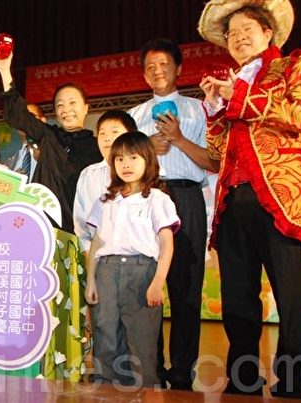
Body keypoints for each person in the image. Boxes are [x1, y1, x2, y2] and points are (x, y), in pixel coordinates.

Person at [198, 0, 301, 398]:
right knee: (237, 299)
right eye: (231, 34)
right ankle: (244, 378)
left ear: (268, 33)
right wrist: (215, 109)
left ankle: (292, 381)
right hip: (233, 202)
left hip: (279, 199)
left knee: (291, 297)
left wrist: (241, 96)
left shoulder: (296, 66)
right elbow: (217, 154)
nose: (238, 38)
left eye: (246, 30)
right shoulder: (229, 82)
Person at [127, 37, 219, 390]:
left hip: (186, 197)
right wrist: (146, 148)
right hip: (146, 198)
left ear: (179, 68)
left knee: (186, 287)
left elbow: (214, 161)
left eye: (164, 64)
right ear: (143, 74)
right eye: (150, 67)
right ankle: (151, 369)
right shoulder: (135, 116)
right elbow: (123, 166)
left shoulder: (199, 110)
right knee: (146, 285)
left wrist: (179, 139)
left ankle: (182, 372)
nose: (157, 71)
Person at [85, 131, 179, 387]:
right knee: (105, 335)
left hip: (142, 272)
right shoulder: (105, 200)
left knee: (141, 340)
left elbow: (167, 243)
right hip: (106, 271)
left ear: (148, 160)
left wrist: (158, 281)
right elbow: (96, 243)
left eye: (133, 158)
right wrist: (91, 280)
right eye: (120, 159)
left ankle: (145, 390)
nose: (126, 165)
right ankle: (106, 390)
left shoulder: (157, 199)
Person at [0, 47, 102, 233]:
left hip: (81, 231)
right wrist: (4, 70)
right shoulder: (49, 136)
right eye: (60, 105)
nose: (66, 109)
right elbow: (16, 114)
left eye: (72, 103)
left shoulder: (97, 146)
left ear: (86, 107)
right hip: (43, 228)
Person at [74, 109, 137, 256]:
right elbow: (81, 223)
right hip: (100, 258)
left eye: (114, 132)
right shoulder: (88, 175)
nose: (107, 138)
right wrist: (89, 256)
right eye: (102, 133)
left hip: (138, 259)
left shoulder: (143, 173)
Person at [4, 103, 46, 182]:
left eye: (31, 117)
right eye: (20, 119)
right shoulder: (9, 162)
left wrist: (45, 160)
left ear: (43, 120)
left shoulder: (55, 152)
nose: (25, 122)